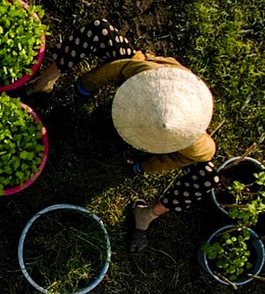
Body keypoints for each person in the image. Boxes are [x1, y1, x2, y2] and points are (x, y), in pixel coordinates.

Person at [27, 19, 219, 251]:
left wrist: (142, 167)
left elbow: (179, 159)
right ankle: (46, 80)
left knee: (208, 177)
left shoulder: (194, 142)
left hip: (149, 144)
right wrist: (83, 88)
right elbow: (113, 69)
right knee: (98, 30)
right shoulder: (147, 72)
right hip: (136, 85)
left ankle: (146, 215)